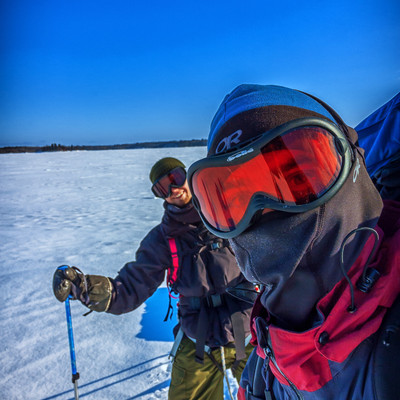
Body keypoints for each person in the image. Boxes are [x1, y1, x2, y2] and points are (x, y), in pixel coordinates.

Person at [186, 84, 400, 399]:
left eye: (298, 178)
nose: (268, 209)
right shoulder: (262, 372)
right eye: (234, 200)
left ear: (352, 162)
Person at [53, 157, 255, 400]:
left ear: (189, 177)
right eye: (162, 188)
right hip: (198, 340)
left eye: (176, 179)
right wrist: (85, 288)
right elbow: (129, 288)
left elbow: (272, 250)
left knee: (273, 390)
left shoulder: (228, 215)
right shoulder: (161, 240)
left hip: (250, 330)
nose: (173, 189)